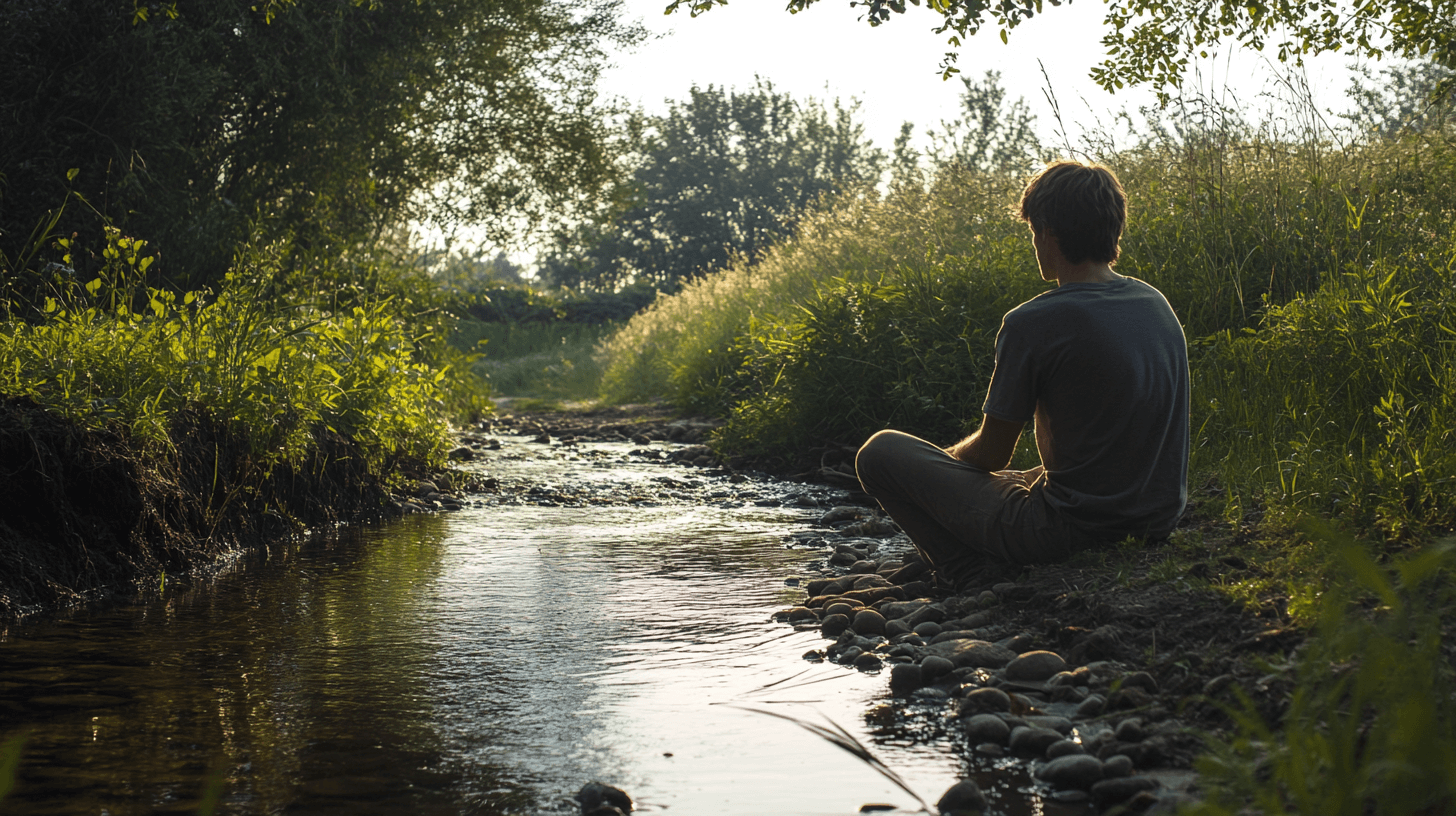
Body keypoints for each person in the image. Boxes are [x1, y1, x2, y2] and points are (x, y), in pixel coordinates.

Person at [855, 160, 1189, 591]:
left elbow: (992, 455)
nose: (1034, 243)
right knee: (1015, 479)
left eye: (1033, 232)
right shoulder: (1154, 303)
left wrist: (942, 468)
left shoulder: (1033, 322)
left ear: (1049, 233)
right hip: (1154, 517)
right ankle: (961, 554)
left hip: (1072, 529)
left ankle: (966, 569)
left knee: (880, 453)